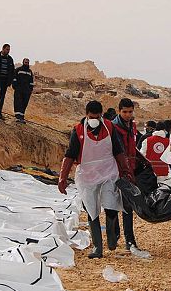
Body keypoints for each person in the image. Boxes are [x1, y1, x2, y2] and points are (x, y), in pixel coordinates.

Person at [57, 100, 133, 259]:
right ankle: (98, 247)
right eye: (91, 117)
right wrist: (62, 177)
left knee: (111, 205)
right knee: (92, 210)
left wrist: (125, 170)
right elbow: (70, 155)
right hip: (87, 175)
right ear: (86, 115)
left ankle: (112, 237)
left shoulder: (109, 127)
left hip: (108, 171)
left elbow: (119, 150)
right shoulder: (78, 131)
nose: (94, 120)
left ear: (101, 116)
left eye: (97, 117)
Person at [110, 98, 147, 254]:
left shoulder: (131, 126)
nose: (127, 114)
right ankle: (115, 236)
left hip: (129, 170)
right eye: (125, 112)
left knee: (127, 206)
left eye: (130, 112)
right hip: (116, 170)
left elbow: (132, 147)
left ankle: (129, 240)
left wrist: (143, 160)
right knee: (112, 204)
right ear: (119, 111)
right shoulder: (113, 127)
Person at [12, 57, 34, 123]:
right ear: (23, 62)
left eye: (27, 63)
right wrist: (15, 86)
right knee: (18, 102)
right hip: (19, 90)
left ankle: (22, 117)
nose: (26, 64)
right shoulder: (18, 70)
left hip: (26, 91)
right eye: (25, 62)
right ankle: (17, 117)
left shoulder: (30, 72)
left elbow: (31, 82)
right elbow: (14, 79)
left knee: (24, 103)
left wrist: (30, 90)